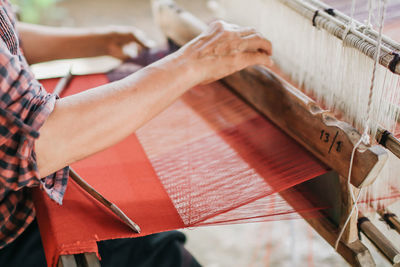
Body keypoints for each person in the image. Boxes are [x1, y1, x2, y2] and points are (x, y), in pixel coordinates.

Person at [0, 0, 273, 266]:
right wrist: (190, 63)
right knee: (156, 252)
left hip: (21, 203)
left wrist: (96, 41)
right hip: (11, 235)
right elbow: (39, 141)